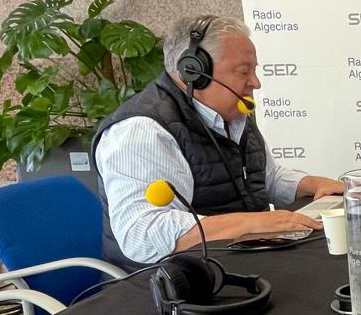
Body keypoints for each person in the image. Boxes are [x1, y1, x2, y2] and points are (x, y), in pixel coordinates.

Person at [93, 14, 343, 267]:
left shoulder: (232, 114)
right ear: (193, 72)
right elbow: (142, 234)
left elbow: (264, 178)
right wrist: (252, 222)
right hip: (165, 287)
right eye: (243, 71)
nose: (255, 82)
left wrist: (310, 184)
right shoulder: (140, 131)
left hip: (235, 262)